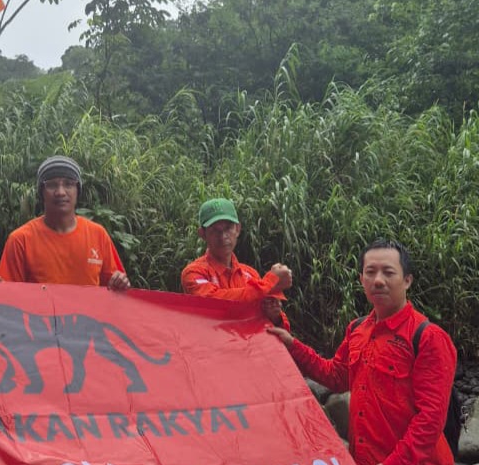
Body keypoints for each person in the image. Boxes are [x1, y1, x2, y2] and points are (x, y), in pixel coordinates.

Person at [268, 239, 457, 465]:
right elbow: (335, 376)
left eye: (388, 272)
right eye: (370, 272)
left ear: (407, 280)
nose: (378, 280)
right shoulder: (357, 329)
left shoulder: (428, 337)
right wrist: (292, 345)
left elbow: (431, 420)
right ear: (361, 279)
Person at [0, 155, 129, 290]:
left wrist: (120, 282)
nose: (60, 192)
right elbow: (7, 294)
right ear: (42, 192)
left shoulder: (98, 235)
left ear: (78, 190)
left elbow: (115, 289)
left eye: (68, 184)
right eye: (52, 185)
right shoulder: (20, 240)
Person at [181, 198, 293, 329]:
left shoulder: (250, 274)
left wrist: (275, 318)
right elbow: (213, 302)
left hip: (248, 342)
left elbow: (278, 328)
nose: (223, 236)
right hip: (210, 341)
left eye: (228, 228)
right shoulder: (193, 273)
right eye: (215, 230)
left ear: (238, 229)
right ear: (202, 234)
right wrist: (269, 283)